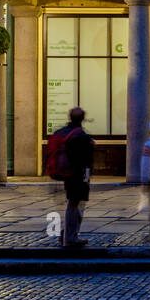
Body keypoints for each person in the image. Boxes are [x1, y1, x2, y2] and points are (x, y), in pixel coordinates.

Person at [50, 106, 93, 249]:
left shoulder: (63, 132)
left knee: (73, 203)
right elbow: (86, 159)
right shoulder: (81, 136)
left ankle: (68, 234)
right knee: (76, 204)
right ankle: (70, 238)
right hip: (78, 174)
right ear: (82, 119)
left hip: (67, 173)